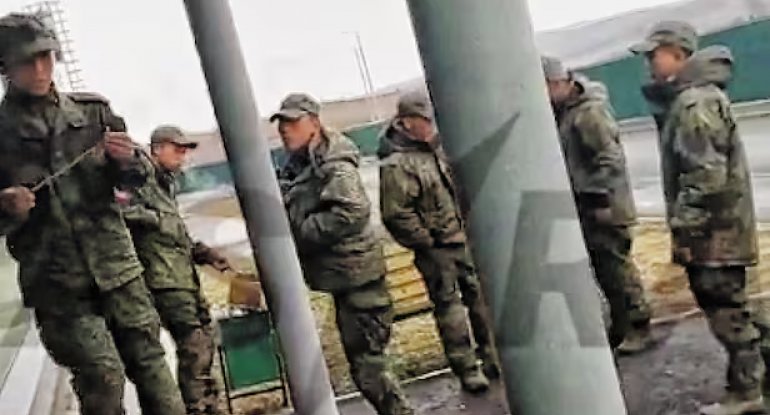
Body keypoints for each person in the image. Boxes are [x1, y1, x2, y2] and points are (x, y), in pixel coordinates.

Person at [0, 12, 186, 415]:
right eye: (27, 61)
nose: (41, 69)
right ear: (4, 67)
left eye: (46, 57)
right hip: (59, 287)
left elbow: (137, 182)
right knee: (102, 378)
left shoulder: (92, 113)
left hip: (118, 272)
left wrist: (127, 162)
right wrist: (5, 206)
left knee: (153, 369)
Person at [632, 22, 765, 414]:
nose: (649, 63)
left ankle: (747, 392)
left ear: (677, 54)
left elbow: (705, 176)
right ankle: (757, 384)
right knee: (737, 307)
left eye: (654, 55)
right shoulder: (695, 98)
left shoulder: (694, 104)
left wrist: (684, 227)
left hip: (713, 236)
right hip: (720, 231)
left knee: (729, 315)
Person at [273, 93, 414, 415]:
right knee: (365, 364)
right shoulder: (301, 163)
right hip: (344, 277)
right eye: (281, 124)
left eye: (292, 122)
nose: (284, 130)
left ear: (313, 122)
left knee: (368, 367)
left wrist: (302, 231)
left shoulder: (335, 164)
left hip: (358, 279)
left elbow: (351, 211)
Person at [378, 90, 498, 390]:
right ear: (406, 122)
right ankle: (467, 368)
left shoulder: (440, 149)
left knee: (481, 300)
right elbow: (396, 214)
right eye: (425, 121)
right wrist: (427, 241)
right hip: (436, 249)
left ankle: (493, 357)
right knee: (449, 309)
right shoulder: (397, 165)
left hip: (463, 239)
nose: (431, 126)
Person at [541, 56, 653, 354]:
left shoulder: (588, 113)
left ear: (558, 83)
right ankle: (622, 323)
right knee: (604, 269)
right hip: (590, 204)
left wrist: (603, 199)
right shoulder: (567, 113)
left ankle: (638, 324)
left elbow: (610, 160)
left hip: (604, 205)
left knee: (617, 268)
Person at [122, 125, 232, 415]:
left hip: (182, 277)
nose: (183, 157)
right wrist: (153, 219)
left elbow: (174, 234)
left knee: (206, 337)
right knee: (194, 344)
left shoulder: (165, 185)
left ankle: (208, 404)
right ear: (157, 149)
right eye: (177, 150)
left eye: (185, 151)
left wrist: (203, 253)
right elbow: (122, 212)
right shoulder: (139, 179)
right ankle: (198, 408)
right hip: (163, 280)